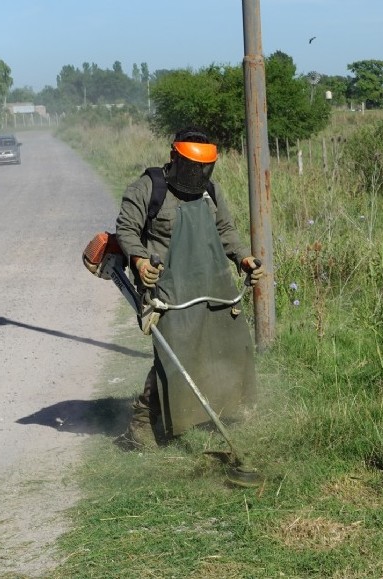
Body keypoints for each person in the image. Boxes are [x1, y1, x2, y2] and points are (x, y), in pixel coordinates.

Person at [114, 127, 264, 449]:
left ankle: (223, 409)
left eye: (204, 168)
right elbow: (126, 229)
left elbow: (224, 229)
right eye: (191, 166)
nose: (198, 174)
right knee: (175, 354)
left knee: (232, 342)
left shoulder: (210, 191)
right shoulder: (148, 188)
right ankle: (141, 425)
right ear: (174, 156)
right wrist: (140, 261)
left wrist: (243, 258)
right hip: (167, 289)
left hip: (210, 283)